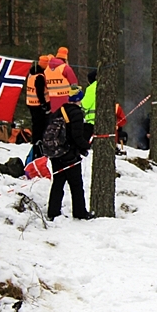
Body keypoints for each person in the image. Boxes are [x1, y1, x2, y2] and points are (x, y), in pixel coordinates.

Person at [46, 85, 95, 220]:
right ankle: (80, 213)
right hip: (69, 154)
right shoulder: (77, 113)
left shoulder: (59, 110)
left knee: (58, 182)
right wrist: (86, 146)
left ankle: (53, 212)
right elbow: (76, 136)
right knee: (76, 184)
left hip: (55, 153)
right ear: (79, 98)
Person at [25, 56, 50, 147]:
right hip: (38, 104)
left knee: (35, 123)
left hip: (30, 102)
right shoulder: (40, 76)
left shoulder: (31, 74)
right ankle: (38, 140)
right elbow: (40, 92)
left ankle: (36, 140)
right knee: (40, 124)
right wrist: (44, 103)